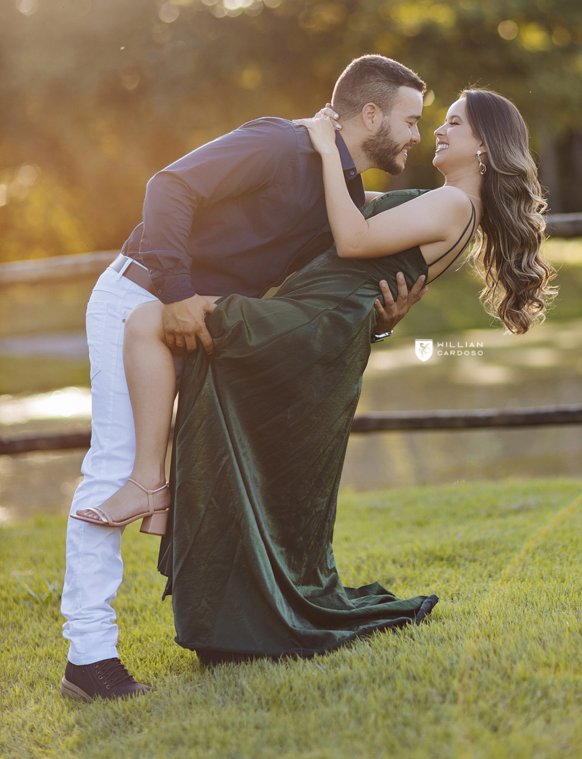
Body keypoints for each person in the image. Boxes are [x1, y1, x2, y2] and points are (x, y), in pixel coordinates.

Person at [76, 88, 556, 667]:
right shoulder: (441, 203)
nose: (433, 131)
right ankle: (161, 499)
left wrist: (328, 151)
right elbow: (347, 224)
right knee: (195, 385)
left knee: (149, 317)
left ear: (486, 148)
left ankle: (150, 484)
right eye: (425, 119)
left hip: (312, 323)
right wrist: (377, 320)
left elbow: (352, 238)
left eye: (452, 122)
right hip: (322, 323)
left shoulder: (455, 206)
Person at [60, 54, 429, 702]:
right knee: (116, 468)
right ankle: (89, 660)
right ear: (370, 113)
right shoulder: (278, 143)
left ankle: (232, 614)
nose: (415, 136)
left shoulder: (337, 200)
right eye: (411, 120)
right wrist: (174, 292)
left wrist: (379, 322)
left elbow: (318, 297)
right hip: (139, 300)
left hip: (208, 330)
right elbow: (168, 187)